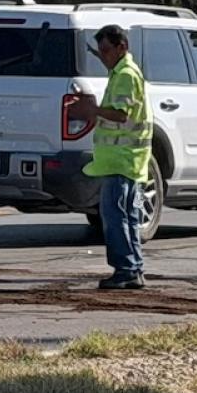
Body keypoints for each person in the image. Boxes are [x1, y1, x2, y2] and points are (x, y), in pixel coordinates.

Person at [75, 24, 152, 290]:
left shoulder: (126, 75)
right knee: (127, 215)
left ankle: (126, 269)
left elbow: (121, 114)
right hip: (124, 159)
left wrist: (92, 110)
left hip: (122, 159)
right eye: (100, 51)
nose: (103, 56)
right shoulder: (122, 72)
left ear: (122, 47)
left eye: (107, 50)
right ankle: (133, 268)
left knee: (116, 215)